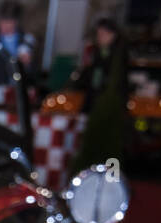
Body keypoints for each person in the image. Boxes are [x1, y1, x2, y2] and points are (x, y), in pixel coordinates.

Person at [69, 17, 128, 174]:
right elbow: (88, 79)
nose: (100, 37)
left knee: (110, 149)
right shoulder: (96, 54)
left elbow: (118, 84)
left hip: (111, 108)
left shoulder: (118, 55)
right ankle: (83, 179)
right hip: (96, 104)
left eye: (104, 34)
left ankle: (112, 181)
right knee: (91, 145)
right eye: (99, 34)